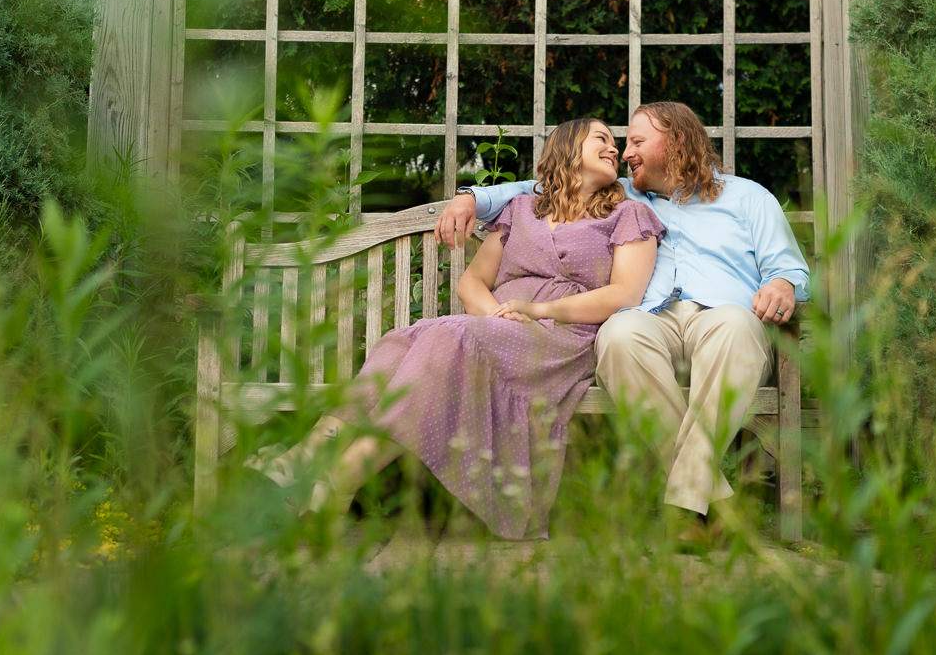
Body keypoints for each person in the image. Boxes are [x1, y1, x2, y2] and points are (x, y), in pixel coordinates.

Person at [263, 118, 665, 540]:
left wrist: (536, 308)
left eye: (615, 144)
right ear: (567, 147)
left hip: (563, 336)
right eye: (602, 139)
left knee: (449, 334)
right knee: (402, 340)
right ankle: (309, 458)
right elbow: (473, 281)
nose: (614, 149)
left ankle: (340, 478)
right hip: (500, 326)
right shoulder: (523, 210)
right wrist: (496, 319)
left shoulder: (629, 214)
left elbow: (624, 294)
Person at [436, 101, 809, 531]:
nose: (626, 153)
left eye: (636, 142)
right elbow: (539, 185)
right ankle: (711, 498)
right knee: (618, 334)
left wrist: (782, 284)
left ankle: (689, 505)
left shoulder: (748, 197)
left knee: (736, 327)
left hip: (723, 314)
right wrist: (470, 197)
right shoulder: (625, 195)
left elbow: (792, 270)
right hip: (650, 317)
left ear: (678, 142)